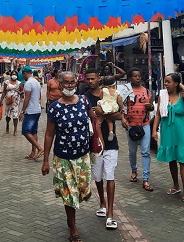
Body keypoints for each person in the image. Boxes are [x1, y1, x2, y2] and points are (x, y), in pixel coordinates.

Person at [42, 71, 95, 242]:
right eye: (66, 82)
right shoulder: (55, 107)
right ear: (59, 83)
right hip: (63, 158)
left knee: (82, 190)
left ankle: (70, 217)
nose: (70, 86)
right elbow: (49, 134)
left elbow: (94, 120)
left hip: (83, 156)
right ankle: (73, 228)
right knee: (69, 193)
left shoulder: (84, 101)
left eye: (72, 83)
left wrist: (100, 140)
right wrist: (45, 161)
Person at [152, 72, 184, 204]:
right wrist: (154, 130)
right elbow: (158, 114)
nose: (166, 84)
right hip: (167, 128)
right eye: (165, 81)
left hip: (180, 129)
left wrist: (180, 84)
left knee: (183, 160)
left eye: (168, 81)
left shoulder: (182, 96)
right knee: (171, 158)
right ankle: (176, 185)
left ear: (176, 83)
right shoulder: (163, 96)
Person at [84, 69, 119, 230]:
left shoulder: (109, 93)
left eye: (93, 78)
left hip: (111, 143)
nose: (90, 81)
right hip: (93, 143)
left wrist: (102, 113)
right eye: (88, 79)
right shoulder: (83, 97)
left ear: (99, 79)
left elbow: (120, 114)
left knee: (110, 176)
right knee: (97, 176)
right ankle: (102, 203)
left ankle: (110, 214)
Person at [121, 68, 154, 190]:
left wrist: (150, 107)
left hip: (144, 124)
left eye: (139, 76)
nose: (137, 78)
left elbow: (151, 107)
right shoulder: (126, 91)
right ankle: (134, 170)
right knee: (132, 151)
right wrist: (123, 119)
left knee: (145, 151)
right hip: (131, 125)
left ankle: (146, 179)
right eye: (134, 76)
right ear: (130, 78)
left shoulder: (146, 91)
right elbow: (122, 107)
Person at [19, 66, 44, 159]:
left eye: (23, 75)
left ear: (25, 73)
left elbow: (27, 98)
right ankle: (33, 152)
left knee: (25, 131)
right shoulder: (37, 82)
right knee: (33, 132)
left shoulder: (28, 83)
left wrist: (22, 111)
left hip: (31, 110)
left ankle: (39, 148)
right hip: (37, 109)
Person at [96, 77, 123, 143]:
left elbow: (100, 97)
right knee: (110, 119)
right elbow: (120, 101)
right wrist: (122, 108)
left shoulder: (103, 90)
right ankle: (111, 131)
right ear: (114, 85)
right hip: (113, 107)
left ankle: (96, 131)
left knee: (99, 120)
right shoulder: (116, 91)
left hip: (105, 106)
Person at [0, 70, 21, 136]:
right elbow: (4, 92)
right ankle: (7, 124)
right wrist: (1, 100)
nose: (14, 75)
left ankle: (15, 129)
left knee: (15, 115)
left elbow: (22, 92)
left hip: (16, 101)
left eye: (15, 74)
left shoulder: (19, 83)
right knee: (8, 115)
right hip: (8, 101)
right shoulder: (6, 82)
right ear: (11, 75)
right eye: (13, 74)